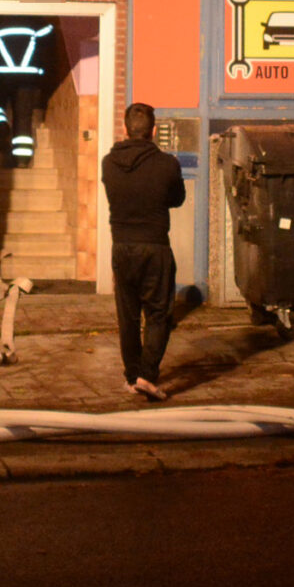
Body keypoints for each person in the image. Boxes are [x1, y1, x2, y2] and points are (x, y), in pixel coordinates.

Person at [100, 103, 186, 401]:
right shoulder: (167, 164)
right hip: (155, 246)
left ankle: (131, 376)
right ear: (152, 131)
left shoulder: (108, 163)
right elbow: (177, 200)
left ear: (125, 129)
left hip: (122, 247)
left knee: (128, 316)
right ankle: (147, 375)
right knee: (158, 314)